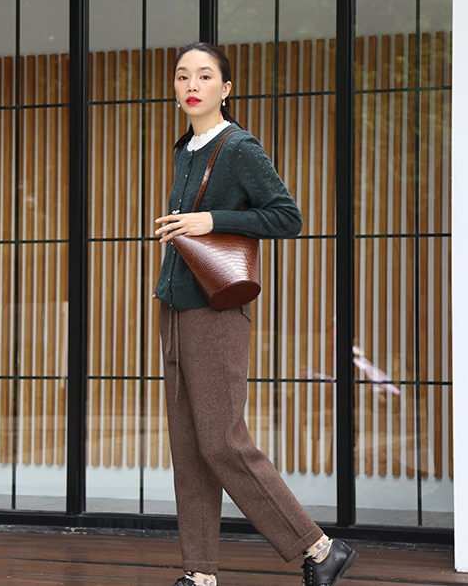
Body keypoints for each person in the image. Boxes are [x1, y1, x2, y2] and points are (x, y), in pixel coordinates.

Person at [153, 42, 358, 586]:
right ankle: (200, 573)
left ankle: (319, 547)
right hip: (174, 308)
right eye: (182, 76)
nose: (191, 85)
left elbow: (287, 216)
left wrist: (211, 220)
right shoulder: (185, 148)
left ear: (226, 88)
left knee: (223, 441)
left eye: (204, 76)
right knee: (189, 448)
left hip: (216, 311)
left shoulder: (239, 146)